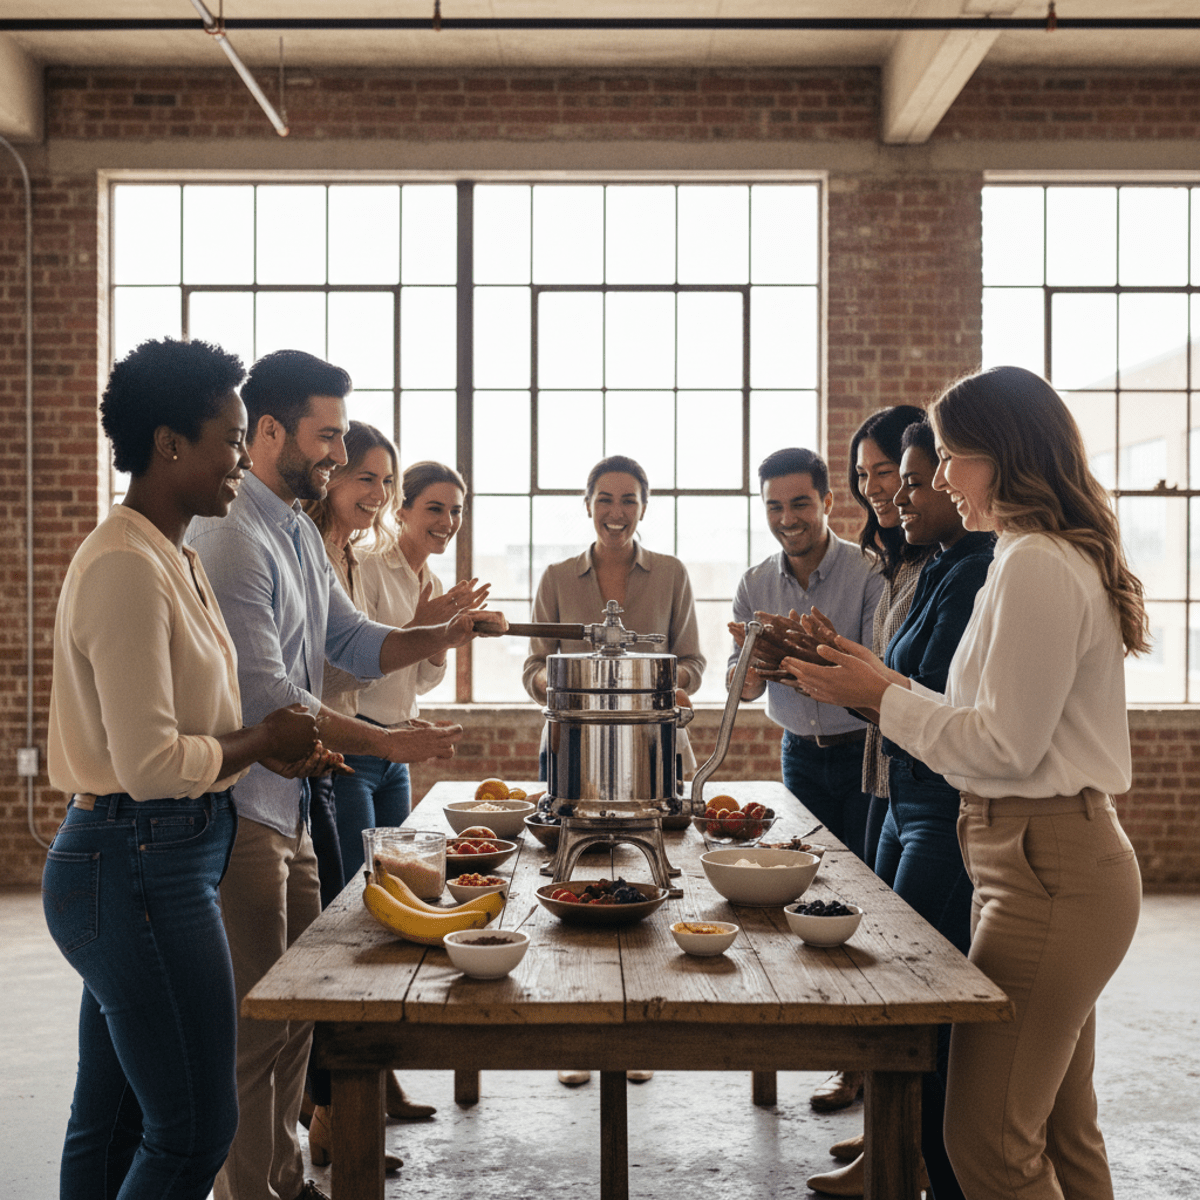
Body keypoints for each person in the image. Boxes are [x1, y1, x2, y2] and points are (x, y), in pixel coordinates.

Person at [782, 366, 1145, 1200]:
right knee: (1057, 1129)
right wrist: (886, 683)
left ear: (1003, 456)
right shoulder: (1027, 556)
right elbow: (981, 712)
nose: (938, 478)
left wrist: (880, 697)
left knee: (984, 1143)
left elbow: (1005, 747)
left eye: (950, 457)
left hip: (1047, 868)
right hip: (1034, 859)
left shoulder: (1037, 565)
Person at [187, 349, 506, 1200]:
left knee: (298, 1018)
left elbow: (355, 643)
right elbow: (273, 697)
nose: (336, 454)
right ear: (268, 431)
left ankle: (287, 1180)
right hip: (240, 812)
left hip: (292, 806)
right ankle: (248, 1190)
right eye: (326, 437)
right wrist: (386, 745)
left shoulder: (292, 527)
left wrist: (437, 634)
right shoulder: (228, 536)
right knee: (258, 1026)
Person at [41, 338, 326, 1200]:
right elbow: (155, 761)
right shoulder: (127, 565)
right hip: (133, 861)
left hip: (166, 854)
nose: (244, 457)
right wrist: (263, 740)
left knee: (119, 1118)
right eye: (231, 439)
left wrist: (266, 738)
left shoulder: (178, 555)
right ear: (170, 445)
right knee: (196, 1128)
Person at [805, 416, 995, 1199]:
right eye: (902, 479)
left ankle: (924, 1164)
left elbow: (946, 703)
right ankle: (898, 1155)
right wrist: (849, 667)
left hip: (939, 800)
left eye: (918, 478)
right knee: (894, 987)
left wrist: (865, 682)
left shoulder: (985, 567)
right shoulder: (940, 562)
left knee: (917, 1003)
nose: (910, 493)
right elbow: (900, 678)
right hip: (902, 789)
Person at [523, 454, 705, 1087]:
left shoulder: (673, 574)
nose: (616, 511)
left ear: (643, 507)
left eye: (628, 500)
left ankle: (639, 1033)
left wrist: (655, 682)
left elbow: (693, 664)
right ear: (588, 505)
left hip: (649, 756)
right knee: (575, 903)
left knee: (641, 898)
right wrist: (570, 682)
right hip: (572, 755)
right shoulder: (555, 576)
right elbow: (533, 668)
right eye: (605, 499)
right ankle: (580, 1034)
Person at [803, 405, 931, 1120]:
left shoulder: (950, 565)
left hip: (922, 786)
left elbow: (915, 688)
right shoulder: (899, 555)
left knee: (901, 965)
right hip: (886, 774)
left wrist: (852, 672)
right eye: (869, 474)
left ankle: (894, 1131)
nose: (881, 488)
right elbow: (887, 684)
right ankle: (883, 1129)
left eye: (894, 473)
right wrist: (829, 660)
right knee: (872, 942)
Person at [728, 447, 884, 863]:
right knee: (806, 869)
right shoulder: (752, 584)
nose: (787, 519)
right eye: (774, 507)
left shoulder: (870, 572)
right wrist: (742, 681)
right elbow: (739, 677)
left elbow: (876, 673)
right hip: (797, 754)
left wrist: (799, 651)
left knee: (866, 874)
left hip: (864, 753)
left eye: (800, 504)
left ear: (827, 502)